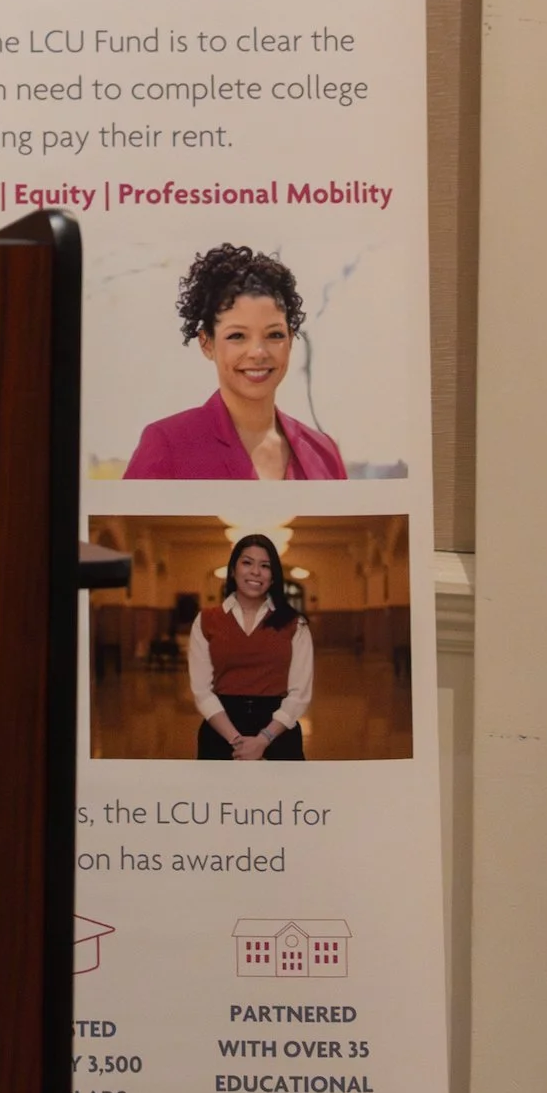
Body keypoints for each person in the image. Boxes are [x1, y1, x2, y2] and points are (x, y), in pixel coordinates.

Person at [125, 243, 346, 480]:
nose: (258, 352)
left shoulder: (324, 454)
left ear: (290, 340)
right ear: (206, 343)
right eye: (237, 336)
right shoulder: (167, 445)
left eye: (274, 335)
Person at [189, 535, 314, 763]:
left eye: (265, 566)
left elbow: (300, 694)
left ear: (274, 576)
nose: (255, 572)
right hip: (220, 731)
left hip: (278, 732)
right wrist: (237, 742)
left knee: (283, 799)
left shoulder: (296, 623)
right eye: (247, 562)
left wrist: (263, 740)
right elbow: (201, 691)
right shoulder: (206, 620)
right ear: (233, 570)